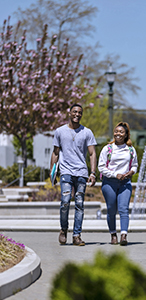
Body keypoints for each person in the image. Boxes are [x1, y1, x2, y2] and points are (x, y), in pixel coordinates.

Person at [50, 103, 97, 246]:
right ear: (69, 113)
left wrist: (93, 173)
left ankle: (76, 235)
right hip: (65, 171)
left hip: (81, 172)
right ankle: (64, 229)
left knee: (79, 204)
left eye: (80, 112)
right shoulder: (60, 131)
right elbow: (55, 152)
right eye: (75, 112)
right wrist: (52, 173)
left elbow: (92, 153)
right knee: (65, 201)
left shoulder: (87, 132)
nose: (77, 114)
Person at [98, 122, 138, 246]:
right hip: (109, 183)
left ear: (126, 135)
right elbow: (101, 167)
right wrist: (115, 174)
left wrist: (131, 171)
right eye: (116, 131)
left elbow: (135, 165)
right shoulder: (108, 149)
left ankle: (124, 235)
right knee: (111, 209)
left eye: (121, 132)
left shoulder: (130, 149)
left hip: (125, 183)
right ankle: (113, 234)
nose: (118, 134)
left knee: (124, 209)